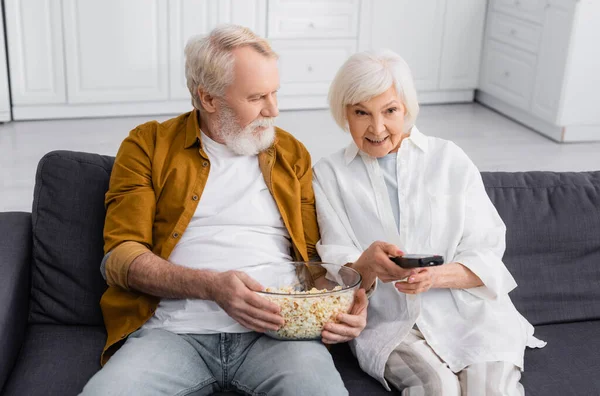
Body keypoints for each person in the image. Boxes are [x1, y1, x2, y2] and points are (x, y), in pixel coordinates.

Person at [80, 24, 366, 396]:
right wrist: (213, 287)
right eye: (256, 97)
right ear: (208, 98)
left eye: (275, 93)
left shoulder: (291, 154)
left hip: (279, 335)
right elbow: (120, 257)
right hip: (173, 333)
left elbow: (313, 261)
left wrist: (342, 303)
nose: (274, 110)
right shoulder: (148, 145)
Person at [313, 50, 546, 396]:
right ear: (344, 113)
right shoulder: (329, 175)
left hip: (472, 315)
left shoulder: (448, 159)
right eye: (362, 112)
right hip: (391, 323)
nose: (377, 128)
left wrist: (435, 276)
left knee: (490, 390)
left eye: (389, 111)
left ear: (406, 107)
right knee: (435, 388)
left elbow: (486, 247)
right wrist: (368, 264)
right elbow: (336, 261)